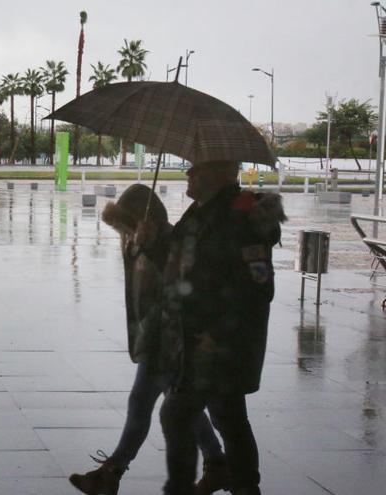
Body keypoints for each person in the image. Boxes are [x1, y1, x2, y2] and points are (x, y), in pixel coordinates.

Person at [69, 184, 229, 495]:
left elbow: (175, 279)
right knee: (183, 406)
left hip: (167, 339)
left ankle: (110, 474)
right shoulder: (138, 242)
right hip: (158, 336)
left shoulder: (168, 241)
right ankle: (218, 463)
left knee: (141, 403)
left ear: (148, 219)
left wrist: (150, 244)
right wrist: (139, 242)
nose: (124, 234)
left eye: (127, 226)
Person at [158, 161, 286, 495]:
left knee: (177, 414)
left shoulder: (241, 218)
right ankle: (240, 484)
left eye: (195, 170)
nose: (188, 175)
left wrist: (218, 333)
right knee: (228, 417)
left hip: (219, 342)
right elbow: (184, 260)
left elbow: (258, 286)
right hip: (195, 337)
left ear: (217, 175)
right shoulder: (201, 213)